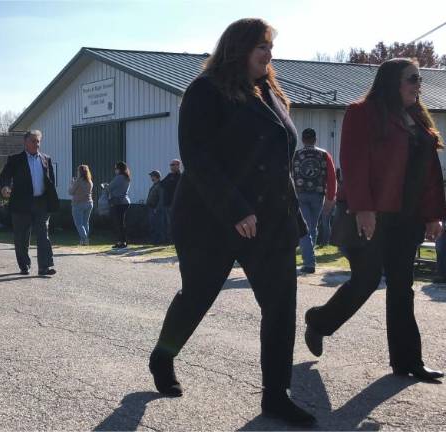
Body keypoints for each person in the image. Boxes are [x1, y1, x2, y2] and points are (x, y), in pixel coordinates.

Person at [148, 18, 315, 425]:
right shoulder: (204, 91)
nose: (269, 54)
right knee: (197, 297)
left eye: (270, 47)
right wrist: (237, 209)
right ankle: (163, 356)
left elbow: (279, 162)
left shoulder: (271, 92)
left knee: (280, 307)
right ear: (238, 48)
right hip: (212, 218)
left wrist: (293, 217)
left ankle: (276, 395)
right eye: (262, 47)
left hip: (271, 221)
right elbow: (198, 157)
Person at [304, 58, 445, 383]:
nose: (418, 85)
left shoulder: (417, 119)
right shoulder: (362, 112)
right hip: (368, 214)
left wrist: (434, 213)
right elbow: (353, 164)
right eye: (412, 79)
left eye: (419, 79)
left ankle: (408, 361)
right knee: (366, 280)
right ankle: (319, 322)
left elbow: (428, 173)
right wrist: (364, 209)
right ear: (391, 81)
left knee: (401, 288)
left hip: (407, 219)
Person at [0, 130, 60, 276]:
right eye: (33, 141)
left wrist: (50, 199)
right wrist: (5, 187)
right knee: (21, 236)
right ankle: (24, 265)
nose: (36, 144)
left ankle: (44, 267)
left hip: (41, 203)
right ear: (25, 142)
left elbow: (50, 180)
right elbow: (5, 176)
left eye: (38, 141)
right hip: (21, 203)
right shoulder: (15, 159)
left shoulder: (46, 159)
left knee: (43, 234)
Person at [293, 128, 337, 273]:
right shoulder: (324, 155)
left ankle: (309, 262)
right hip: (318, 195)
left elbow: (290, 174)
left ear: (303, 139)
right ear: (315, 139)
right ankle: (310, 261)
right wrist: (331, 197)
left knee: (306, 228)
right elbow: (331, 177)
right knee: (312, 227)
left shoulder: (296, 155)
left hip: (300, 194)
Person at [68, 164, 94, 246]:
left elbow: (71, 192)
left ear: (80, 172)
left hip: (78, 204)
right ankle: (83, 241)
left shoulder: (78, 181)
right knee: (85, 223)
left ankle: (85, 239)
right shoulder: (90, 181)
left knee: (79, 224)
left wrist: (72, 184)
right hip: (89, 203)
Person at [108, 161, 131, 249]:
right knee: (121, 223)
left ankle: (122, 242)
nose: (115, 170)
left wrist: (106, 186)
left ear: (119, 169)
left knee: (119, 223)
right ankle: (122, 241)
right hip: (125, 201)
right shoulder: (126, 177)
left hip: (119, 202)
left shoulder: (119, 177)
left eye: (116, 168)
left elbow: (110, 187)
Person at [160, 159, 181, 240]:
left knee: (173, 222)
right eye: (170, 165)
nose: (171, 167)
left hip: (174, 203)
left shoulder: (180, 176)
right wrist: (168, 183)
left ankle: (174, 239)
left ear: (178, 166)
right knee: (166, 222)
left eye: (173, 165)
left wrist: (168, 184)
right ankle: (168, 238)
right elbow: (162, 184)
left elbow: (173, 186)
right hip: (166, 203)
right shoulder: (169, 175)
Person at [146, 170, 167, 244]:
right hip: (151, 208)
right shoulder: (154, 185)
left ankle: (160, 240)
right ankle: (154, 240)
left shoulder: (160, 185)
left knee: (158, 225)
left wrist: (157, 208)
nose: (151, 177)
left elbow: (161, 199)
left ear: (156, 176)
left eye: (152, 176)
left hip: (156, 209)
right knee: (153, 225)